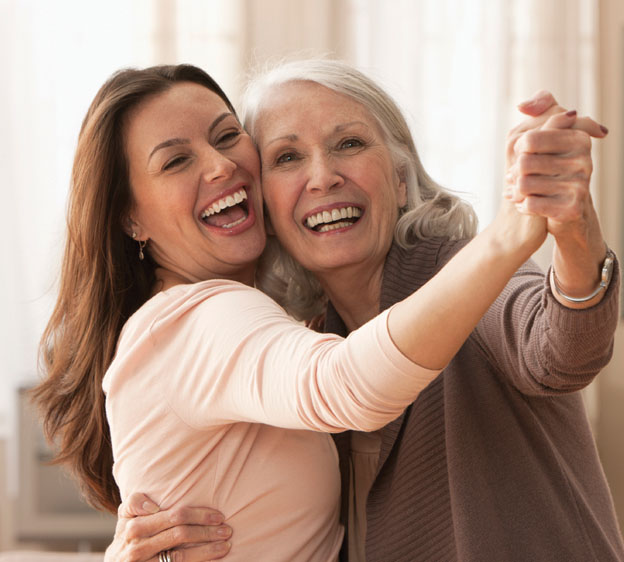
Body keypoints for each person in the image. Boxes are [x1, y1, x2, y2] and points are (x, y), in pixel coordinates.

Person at [33, 63, 552, 562]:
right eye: (175, 161)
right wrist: (507, 237)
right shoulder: (196, 318)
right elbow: (347, 382)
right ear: (130, 217)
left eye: (226, 136)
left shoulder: (252, 325)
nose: (219, 165)